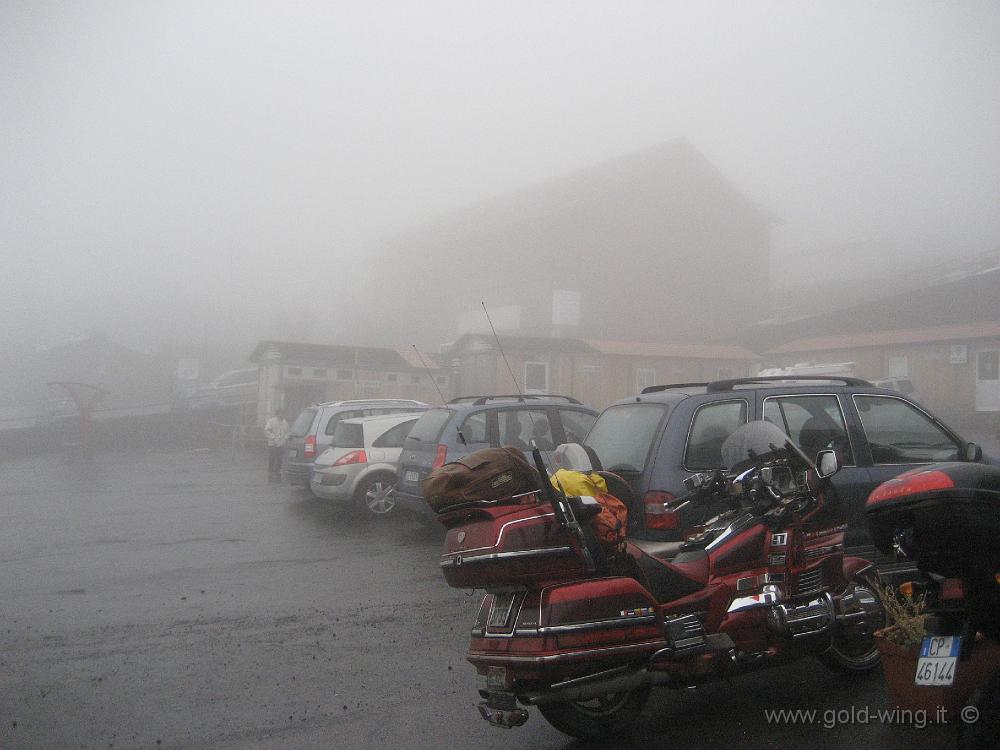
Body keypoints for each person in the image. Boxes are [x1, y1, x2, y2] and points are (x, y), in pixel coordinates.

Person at [264, 410, 290, 483]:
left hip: (281, 444)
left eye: (282, 413)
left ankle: (278, 472)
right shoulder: (271, 421)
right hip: (272, 444)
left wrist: (286, 438)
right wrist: (273, 437)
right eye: (280, 414)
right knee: (272, 458)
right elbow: (266, 430)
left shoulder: (285, 422)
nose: (281, 415)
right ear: (277, 414)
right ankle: (270, 473)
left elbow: (288, 432)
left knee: (279, 459)